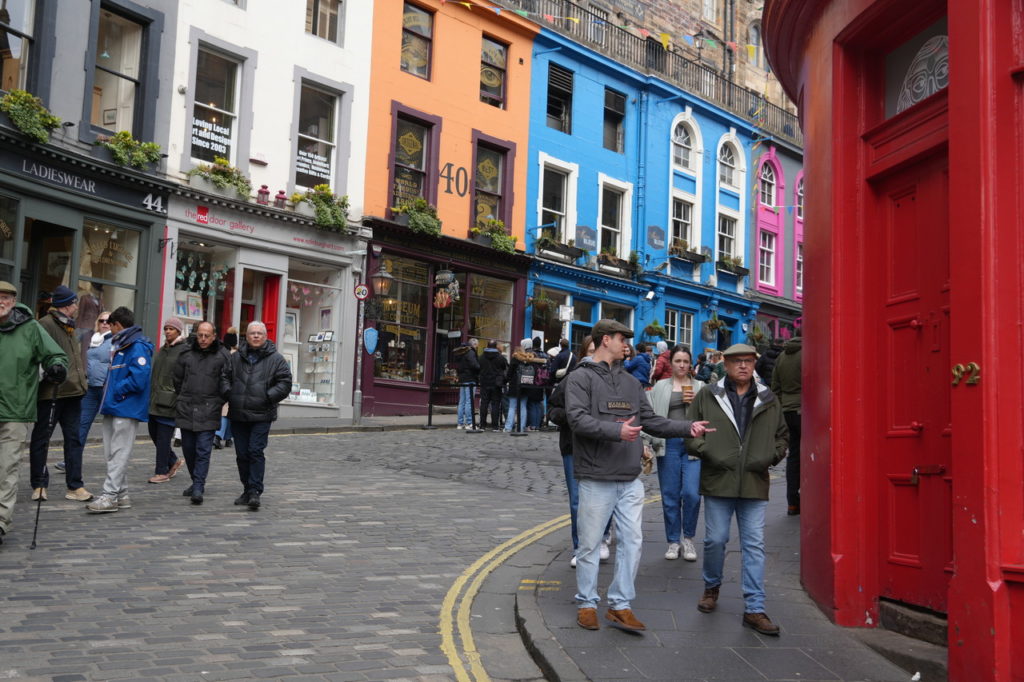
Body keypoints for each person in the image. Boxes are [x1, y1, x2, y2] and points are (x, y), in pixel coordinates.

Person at [565, 319, 712, 632]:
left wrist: (688, 427)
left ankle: (620, 605)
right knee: (590, 545)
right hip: (596, 476)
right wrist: (617, 431)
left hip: (629, 477)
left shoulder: (631, 383)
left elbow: (651, 421)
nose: (626, 344)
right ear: (606, 340)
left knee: (633, 542)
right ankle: (587, 602)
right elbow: (577, 420)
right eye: (621, 338)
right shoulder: (580, 378)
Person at [687, 343, 788, 635]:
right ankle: (711, 586)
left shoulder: (768, 398)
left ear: (754, 364)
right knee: (716, 540)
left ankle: (755, 608)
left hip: (754, 480)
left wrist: (770, 456)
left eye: (748, 361)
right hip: (719, 478)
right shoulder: (709, 394)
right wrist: (710, 451)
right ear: (725, 365)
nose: (743, 365)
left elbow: (783, 435)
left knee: (754, 544)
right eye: (736, 361)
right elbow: (690, 432)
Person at [0, 281, 68, 545]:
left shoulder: (30, 329)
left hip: (14, 411)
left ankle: (1, 521)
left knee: (6, 468)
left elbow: (56, 355)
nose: (1, 302)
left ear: (14, 301)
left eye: (5, 297)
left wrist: (57, 367)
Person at [547, 335, 613, 568]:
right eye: (590, 351)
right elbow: (553, 409)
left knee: (603, 497)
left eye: (597, 351)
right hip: (573, 446)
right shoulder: (571, 380)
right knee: (577, 500)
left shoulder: (611, 381)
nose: (593, 357)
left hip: (600, 446)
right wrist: (572, 418)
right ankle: (580, 547)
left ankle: (602, 537)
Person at [28, 285, 93, 503]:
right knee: (41, 439)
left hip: (74, 392)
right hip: (51, 393)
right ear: (67, 306)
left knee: (73, 440)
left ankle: (75, 485)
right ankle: (39, 484)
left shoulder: (69, 326)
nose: (76, 306)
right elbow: (36, 355)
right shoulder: (44, 325)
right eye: (74, 303)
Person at [86, 307, 153, 513]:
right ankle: (121, 494)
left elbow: (139, 378)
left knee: (118, 452)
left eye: (110, 324)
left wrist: (117, 390)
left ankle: (110, 495)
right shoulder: (123, 344)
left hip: (125, 406)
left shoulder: (136, 346)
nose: (109, 328)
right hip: (115, 404)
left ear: (118, 325)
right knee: (112, 452)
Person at [646, 346, 706, 561]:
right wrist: (647, 443)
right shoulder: (661, 386)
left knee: (691, 493)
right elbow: (650, 417)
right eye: (678, 361)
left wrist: (694, 405)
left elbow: (709, 417)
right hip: (669, 444)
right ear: (671, 363)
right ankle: (673, 541)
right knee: (670, 496)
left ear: (691, 364)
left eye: (685, 361)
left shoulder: (701, 387)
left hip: (693, 445)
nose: (682, 365)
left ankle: (688, 539)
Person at [228, 321, 292, 511]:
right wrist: (229, 394)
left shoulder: (276, 359)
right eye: (252, 333)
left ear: (265, 336)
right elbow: (224, 377)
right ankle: (247, 489)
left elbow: (285, 382)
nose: (255, 336)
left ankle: (255, 490)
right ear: (246, 336)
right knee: (241, 454)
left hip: (262, 413)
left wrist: (268, 396)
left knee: (255, 451)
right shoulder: (235, 358)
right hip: (238, 413)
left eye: (259, 333)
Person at [174, 321, 233, 505]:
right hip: (187, 407)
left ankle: (199, 486)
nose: (203, 339)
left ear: (214, 336)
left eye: (207, 335)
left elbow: (227, 381)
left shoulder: (222, 355)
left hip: (209, 408)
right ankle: (195, 480)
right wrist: (183, 396)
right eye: (200, 335)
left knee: (203, 450)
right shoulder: (186, 353)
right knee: (189, 449)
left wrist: (218, 401)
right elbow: (177, 378)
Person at [146, 317, 188, 484]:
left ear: (179, 331)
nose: (168, 331)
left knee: (163, 438)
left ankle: (161, 471)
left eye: (171, 328)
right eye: (166, 328)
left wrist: (178, 397)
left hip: (170, 401)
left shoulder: (184, 350)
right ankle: (173, 461)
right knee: (154, 433)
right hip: (155, 400)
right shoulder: (163, 349)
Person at [771, 335, 802, 515]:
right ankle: (809, 498)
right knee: (811, 457)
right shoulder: (808, 352)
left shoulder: (781, 357)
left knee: (793, 457)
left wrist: (784, 406)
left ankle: (792, 502)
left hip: (787, 412)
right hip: (805, 411)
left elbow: (775, 387)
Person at [504, 338, 546, 433]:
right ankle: (522, 427)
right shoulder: (529, 358)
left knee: (512, 407)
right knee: (523, 407)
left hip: (515, 386)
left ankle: (508, 427)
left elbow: (509, 374)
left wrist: (506, 380)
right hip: (526, 385)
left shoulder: (515, 358)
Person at [214, 327, 238, 449]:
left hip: (222, 384)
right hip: (232, 385)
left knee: (225, 412)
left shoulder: (220, 352)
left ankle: (224, 437)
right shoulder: (236, 354)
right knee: (228, 412)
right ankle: (222, 437)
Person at [477, 339, 507, 432]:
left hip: (484, 383)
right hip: (496, 384)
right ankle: (495, 426)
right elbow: (504, 368)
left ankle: (482, 425)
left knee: (484, 404)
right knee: (495, 404)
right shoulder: (500, 357)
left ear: (488, 346)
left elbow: (478, 368)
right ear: (495, 346)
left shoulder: (481, 357)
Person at [453, 337, 480, 429]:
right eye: (477, 346)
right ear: (474, 345)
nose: (477, 348)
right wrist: (479, 368)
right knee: (469, 402)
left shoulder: (462, 352)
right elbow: (474, 365)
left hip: (462, 378)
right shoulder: (471, 352)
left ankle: (460, 423)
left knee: (462, 402)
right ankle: (469, 423)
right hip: (470, 379)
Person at [526, 337, 549, 429]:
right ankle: (537, 424)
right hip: (542, 382)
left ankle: (533, 425)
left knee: (531, 404)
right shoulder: (545, 355)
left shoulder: (531, 354)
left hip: (533, 381)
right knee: (538, 404)